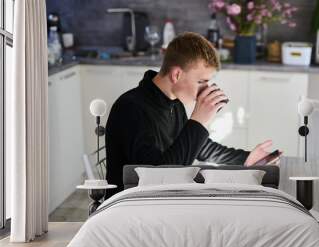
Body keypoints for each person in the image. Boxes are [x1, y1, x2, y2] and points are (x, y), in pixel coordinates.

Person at [105, 32, 276, 198]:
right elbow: (159, 179)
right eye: (201, 82)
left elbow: (200, 148)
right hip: (130, 208)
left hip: (159, 203)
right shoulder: (131, 108)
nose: (206, 89)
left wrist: (246, 158)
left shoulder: (173, 102)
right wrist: (198, 120)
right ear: (176, 74)